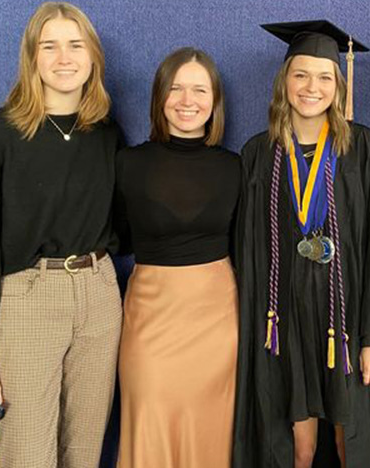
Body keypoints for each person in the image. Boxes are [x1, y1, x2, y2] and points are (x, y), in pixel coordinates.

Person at [232, 20, 370, 468]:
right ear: (284, 81)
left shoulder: (365, 148)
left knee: (350, 439)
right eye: (301, 75)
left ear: (339, 84)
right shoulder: (259, 154)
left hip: (347, 322)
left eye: (325, 77)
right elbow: (248, 250)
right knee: (297, 447)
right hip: (284, 324)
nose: (312, 87)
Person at [0, 2, 123, 467]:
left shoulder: (106, 134)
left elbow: (125, 226)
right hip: (28, 301)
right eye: (50, 46)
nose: (64, 58)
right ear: (32, 57)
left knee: (84, 452)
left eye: (75, 45)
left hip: (100, 295)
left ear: (93, 59)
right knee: (26, 453)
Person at [114, 47, 240, 468]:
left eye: (200, 90)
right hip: (151, 319)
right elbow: (118, 237)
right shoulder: (127, 164)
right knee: (149, 426)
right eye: (177, 88)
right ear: (159, 97)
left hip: (217, 325)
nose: (188, 101)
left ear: (215, 101)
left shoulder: (235, 167)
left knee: (212, 434)